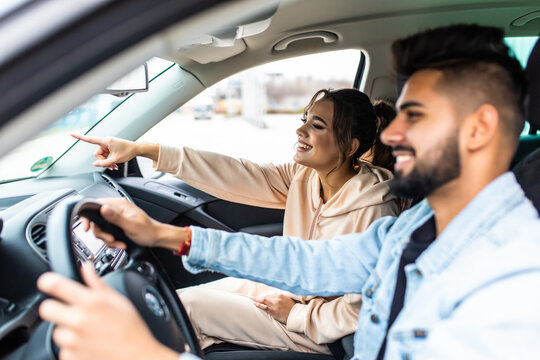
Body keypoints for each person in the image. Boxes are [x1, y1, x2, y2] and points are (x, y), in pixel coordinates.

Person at [38, 23, 540, 360]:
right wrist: (168, 236)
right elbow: (310, 262)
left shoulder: (512, 289)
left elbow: (346, 304)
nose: (392, 135)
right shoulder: (415, 225)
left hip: (319, 331)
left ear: (478, 129)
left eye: (416, 116)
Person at [72, 90, 398, 354]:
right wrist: (142, 150)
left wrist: (296, 314)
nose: (300, 130)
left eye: (317, 125)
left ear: (350, 146)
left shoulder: (375, 211)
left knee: (191, 309)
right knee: (176, 301)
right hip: (293, 291)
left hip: (327, 332)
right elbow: (237, 173)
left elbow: (359, 312)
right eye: (304, 120)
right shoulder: (306, 176)